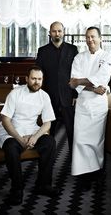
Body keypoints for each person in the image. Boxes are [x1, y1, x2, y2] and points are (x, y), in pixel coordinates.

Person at [0, 65, 58, 205]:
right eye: (33, 79)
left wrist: (34, 137)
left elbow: (47, 123)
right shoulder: (15, 94)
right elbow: (5, 120)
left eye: (39, 79)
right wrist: (20, 139)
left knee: (50, 143)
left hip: (32, 130)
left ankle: (43, 184)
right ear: (27, 79)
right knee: (11, 148)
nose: (36, 82)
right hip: (12, 132)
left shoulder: (44, 96)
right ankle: (17, 189)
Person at [69, 26, 111, 190]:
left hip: (98, 105)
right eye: (87, 37)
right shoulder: (79, 57)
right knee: (80, 139)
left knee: (97, 141)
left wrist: (81, 81)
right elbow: (73, 82)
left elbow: (102, 78)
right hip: (83, 104)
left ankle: (97, 172)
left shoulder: (108, 56)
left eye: (93, 36)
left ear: (100, 38)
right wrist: (90, 86)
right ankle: (83, 176)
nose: (90, 40)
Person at [36, 21, 78, 154]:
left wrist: (76, 95)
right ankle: (48, 158)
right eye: (54, 31)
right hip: (49, 97)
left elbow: (77, 73)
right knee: (48, 132)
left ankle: (74, 161)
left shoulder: (73, 49)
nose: (57, 33)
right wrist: (40, 96)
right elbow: (38, 74)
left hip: (68, 97)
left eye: (59, 31)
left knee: (72, 131)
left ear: (63, 32)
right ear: (50, 33)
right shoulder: (42, 51)